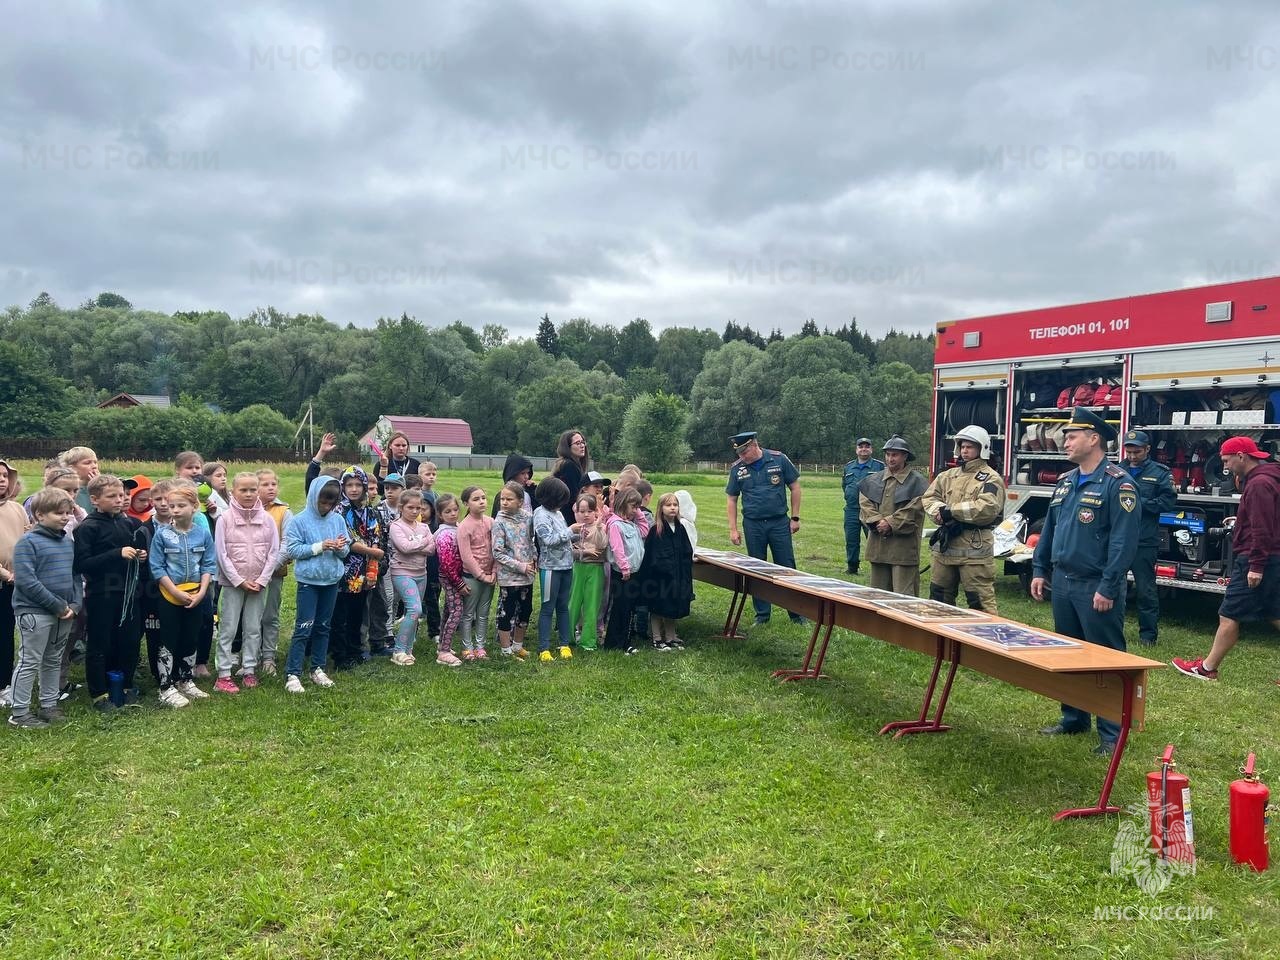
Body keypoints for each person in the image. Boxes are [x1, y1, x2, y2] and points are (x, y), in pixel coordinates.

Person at [1030, 407, 1139, 757]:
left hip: (1095, 586)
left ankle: (1111, 733)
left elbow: (1123, 542)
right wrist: (1039, 568)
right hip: (1062, 581)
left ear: (1094, 439)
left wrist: (1108, 586)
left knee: (1105, 660)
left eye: (1072, 436)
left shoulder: (1118, 484)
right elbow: (1050, 528)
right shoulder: (1065, 482)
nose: (1065, 442)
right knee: (1068, 654)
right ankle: (1074, 717)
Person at [1172, 436, 1280, 681]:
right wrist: (1239, 524)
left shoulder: (1259, 484)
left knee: (1229, 613)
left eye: (1227, 460)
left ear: (1241, 455)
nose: (1225, 467)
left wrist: (1256, 566)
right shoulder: (1269, 476)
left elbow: (1262, 528)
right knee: (1274, 612)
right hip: (1271, 555)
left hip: (1256, 558)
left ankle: (1206, 668)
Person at [73, 474, 150, 712]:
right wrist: (116, 554)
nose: (119, 500)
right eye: (111, 496)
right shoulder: (88, 527)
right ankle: (99, 692)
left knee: (127, 640)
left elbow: (135, 553)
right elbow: (82, 564)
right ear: (95, 499)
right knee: (100, 642)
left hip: (128, 593)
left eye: (121, 495)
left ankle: (125, 685)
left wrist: (140, 556)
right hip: (101, 594)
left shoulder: (129, 523)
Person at [7, 488, 80, 728]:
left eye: (68, 513)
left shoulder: (68, 541)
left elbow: (75, 574)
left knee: (53, 659)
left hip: (65, 612)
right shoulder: (28, 543)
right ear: (39, 515)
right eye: (58, 513)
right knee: (29, 660)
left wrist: (74, 604)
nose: (65, 518)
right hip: (35, 612)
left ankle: (49, 705)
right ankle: (19, 712)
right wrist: (56, 605)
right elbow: (27, 581)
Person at [921, 425, 1007, 613]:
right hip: (946, 547)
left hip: (974, 548)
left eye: (970, 447)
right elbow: (929, 497)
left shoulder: (990, 479)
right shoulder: (947, 475)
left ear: (982, 449)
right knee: (938, 599)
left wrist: (951, 512)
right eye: (962, 447)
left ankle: (985, 640)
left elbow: (988, 508)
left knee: (979, 602)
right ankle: (941, 639)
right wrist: (939, 511)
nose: (965, 451)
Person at [723, 431, 805, 625]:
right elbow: (732, 499)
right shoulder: (738, 469)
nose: (741, 457)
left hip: (778, 522)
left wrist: (795, 517)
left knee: (786, 566)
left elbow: (795, 487)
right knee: (757, 568)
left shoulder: (778, 459)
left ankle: (796, 613)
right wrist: (733, 529)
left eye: (744, 452)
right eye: (739, 454)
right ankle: (762, 615)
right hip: (753, 524)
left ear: (754, 445)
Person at [148, 484, 216, 707]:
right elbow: (157, 567)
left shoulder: (202, 533)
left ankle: (186, 680)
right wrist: (174, 591)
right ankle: (166, 686)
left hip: (196, 594)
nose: (175, 510)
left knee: (191, 637)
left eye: (181, 505)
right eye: (172, 505)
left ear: (194, 506)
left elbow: (208, 564)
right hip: (169, 596)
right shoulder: (162, 535)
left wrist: (203, 591)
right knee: (168, 640)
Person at [213, 472, 279, 693]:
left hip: (258, 584)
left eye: (253, 489)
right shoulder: (225, 519)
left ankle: (249, 668)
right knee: (229, 628)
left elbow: (274, 552)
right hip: (234, 584)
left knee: (253, 627)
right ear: (233, 492)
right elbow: (221, 554)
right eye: (243, 490)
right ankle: (223, 674)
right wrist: (238, 580)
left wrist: (262, 579)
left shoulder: (267, 520)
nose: (249, 494)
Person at [282, 476, 349, 694]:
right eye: (323, 502)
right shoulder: (299, 521)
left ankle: (318, 667)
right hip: (309, 582)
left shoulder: (337, 519)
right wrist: (320, 546)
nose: (326, 507)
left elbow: (345, 551)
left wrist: (339, 547)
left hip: (331, 579)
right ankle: (293, 672)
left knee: (323, 626)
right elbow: (293, 550)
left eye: (331, 503)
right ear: (314, 497)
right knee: (304, 626)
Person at [1121, 430, 1176, 646]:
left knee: (1146, 590)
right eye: (1129, 451)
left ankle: (1147, 636)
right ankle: (1111, 629)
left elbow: (1168, 502)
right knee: (1114, 587)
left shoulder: (1160, 473)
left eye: (1137, 452)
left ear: (1147, 450)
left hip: (1144, 540)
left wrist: (1138, 502)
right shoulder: (1117, 470)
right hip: (1118, 539)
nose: (1132, 456)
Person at [858, 436, 927, 596]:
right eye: (888, 454)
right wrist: (876, 521)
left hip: (904, 548)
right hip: (878, 546)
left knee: (904, 596)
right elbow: (865, 503)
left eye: (895, 455)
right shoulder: (873, 479)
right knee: (877, 594)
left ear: (905, 456)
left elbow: (914, 508)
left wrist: (890, 522)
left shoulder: (918, 482)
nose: (890, 458)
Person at [329, 466, 384, 671]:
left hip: (364, 570)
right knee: (341, 615)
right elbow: (348, 540)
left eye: (358, 485)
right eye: (349, 485)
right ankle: (340, 656)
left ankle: (355, 650)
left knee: (357, 613)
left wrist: (373, 560)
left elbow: (375, 535)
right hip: (344, 571)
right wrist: (372, 551)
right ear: (342, 487)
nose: (353, 489)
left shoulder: (369, 510)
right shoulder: (339, 510)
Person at [388, 490, 438, 665]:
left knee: (413, 613)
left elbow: (432, 550)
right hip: (402, 572)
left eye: (419, 508)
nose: (415, 511)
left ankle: (408, 650)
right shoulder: (396, 526)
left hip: (421, 573)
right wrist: (424, 542)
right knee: (415, 609)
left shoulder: (424, 527)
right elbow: (405, 548)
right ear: (401, 507)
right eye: (411, 507)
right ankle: (398, 651)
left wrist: (418, 545)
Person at [639, 492, 694, 652]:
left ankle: (671, 636)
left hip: (678, 576)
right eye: (668, 505)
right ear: (660, 508)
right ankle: (657, 638)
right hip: (660, 578)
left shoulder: (680, 529)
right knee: (658, 607)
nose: (672, 508)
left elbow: (686, 551)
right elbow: (652, 556)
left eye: (675, 505)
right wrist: (664, 570)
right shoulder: (657, 530)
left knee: (673, 606)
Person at [533, 476, 578, 662]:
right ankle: (544, 648)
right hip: (550, 568)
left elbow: (564, 538)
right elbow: (548, 540)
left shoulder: (558, 514)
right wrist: (571, 531)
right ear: (551, 498)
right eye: (561, 500)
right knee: (547, 607)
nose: (563, 504)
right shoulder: (540, 514)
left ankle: (564, 644)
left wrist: (579, 534)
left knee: (563, 607)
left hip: (566, 565)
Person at [491, 480, 536, 659]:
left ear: (520, 501)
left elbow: (531, 540)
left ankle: (518, 646)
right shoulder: (499, 521)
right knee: (507, 611)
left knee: (526, 610)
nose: (504, 502)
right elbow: (497, 552)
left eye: (509, 499)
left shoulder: (527, 518)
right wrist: (520, 566)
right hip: (509, 576)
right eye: (502, 499)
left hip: (528, 574)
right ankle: (505, 649)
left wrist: (534, 558)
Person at [256, 469, 294, 676]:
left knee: (270, 615)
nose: (271, 488)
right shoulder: (247, 510)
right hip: (249, 575)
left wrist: (268, 568)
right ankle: (250, 655)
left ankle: (268, 656)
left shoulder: (284, 511)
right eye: (265, 484)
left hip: (274, 573)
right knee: (250, 617)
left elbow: (287, 544)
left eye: (273, 484)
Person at [604, 487, 650, 653]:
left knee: (630, 607)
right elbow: (617, 548)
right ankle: (617, 642)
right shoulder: (616, 524)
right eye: (633, 506)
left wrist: (638, 513)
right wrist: (624, 567)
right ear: (623, 504)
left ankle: (624, 640)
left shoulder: (631, 524)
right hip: (624, 573)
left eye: (638, 507)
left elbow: (645, 530)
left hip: (634, 572)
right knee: (621, 608)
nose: (635, 510)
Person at [0, 457, 29, 708]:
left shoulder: (16, 508)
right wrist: (6, 574)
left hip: (13, 585)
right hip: (6, 579)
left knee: (6, 635)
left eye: (4, 476)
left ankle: (5, 684)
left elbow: (28, 538)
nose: (1, 480)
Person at [367, 473, 404, 657]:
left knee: (397, 596)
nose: (389, 491)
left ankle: (392, 627)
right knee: (387, 596)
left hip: (403, 559)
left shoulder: (406, 509)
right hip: (386, 560)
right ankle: (388, 633)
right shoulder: (378, 509)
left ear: (402, 490)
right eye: (387, 488)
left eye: (394, 488)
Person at [457, 486, 495, 660]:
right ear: (466, 503)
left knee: (484, 612)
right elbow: (466, 556)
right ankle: (467, 647)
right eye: (476, 499)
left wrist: (494, 571)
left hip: (490, 575)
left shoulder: (491, 522)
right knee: (468, 613)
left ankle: (480, 646)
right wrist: (481, 575)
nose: (481, 502)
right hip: (472, 577)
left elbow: (497, 548)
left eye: (483, 498)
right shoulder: (464, 526)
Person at [567, 492, 608, 652]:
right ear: (576, 512)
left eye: (589, 511)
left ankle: (588, 640)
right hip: (578, 567)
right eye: (582, 511)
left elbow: (602, 546)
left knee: (592, 605)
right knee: (573, 602)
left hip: (596, 569)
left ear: (595, 512)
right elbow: (569, 550)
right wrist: (583, 550)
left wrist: (598, 526)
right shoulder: (575, 528)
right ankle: (568, 636)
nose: (586, 515)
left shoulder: (602, 527)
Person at [432, 494, 467, 664]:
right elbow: (447, 564)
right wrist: (458, 583)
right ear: (440, 514)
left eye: (455, 510)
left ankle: (443, 645)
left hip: (458, 576)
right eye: (448, 511)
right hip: (450, 577)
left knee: (448, 609)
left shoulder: (458, 527)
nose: (453, 514)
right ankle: (444, 652)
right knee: (457, 611)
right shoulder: (444, 534)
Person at [841, 437, 883, 574]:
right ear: (856, 450)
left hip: (871, 509)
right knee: (851, 540)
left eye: (867, 446)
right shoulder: (848, 467)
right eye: (861, 446)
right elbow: (845, 486)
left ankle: (878, 568)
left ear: (871, 449)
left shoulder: (879, 466)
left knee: (873, 539)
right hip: (851, 509)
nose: (864, 449)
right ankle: (852, 567)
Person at [552, 429, 591, 525]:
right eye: (577, 443)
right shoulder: (569, 466)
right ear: (567, 447)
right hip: (568, 516)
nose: (582, 446)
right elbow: (574, 497)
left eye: (583, 442)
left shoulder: (567, 464)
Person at [373, 431, 421, 497]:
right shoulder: (381, 464)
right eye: (397, 445)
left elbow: (421, 487)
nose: (401, 448)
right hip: (389, 502)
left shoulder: (415, 464)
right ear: (390, 446)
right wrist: (384, 467)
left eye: (404, 445)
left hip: (410, 502)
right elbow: (380, 490)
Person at [59, 446, 98, 513]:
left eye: (95, 462)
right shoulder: (67, 491)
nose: (94, 466)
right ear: (72, 468)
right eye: (87, 463)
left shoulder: (103, 487)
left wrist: (100, 486)